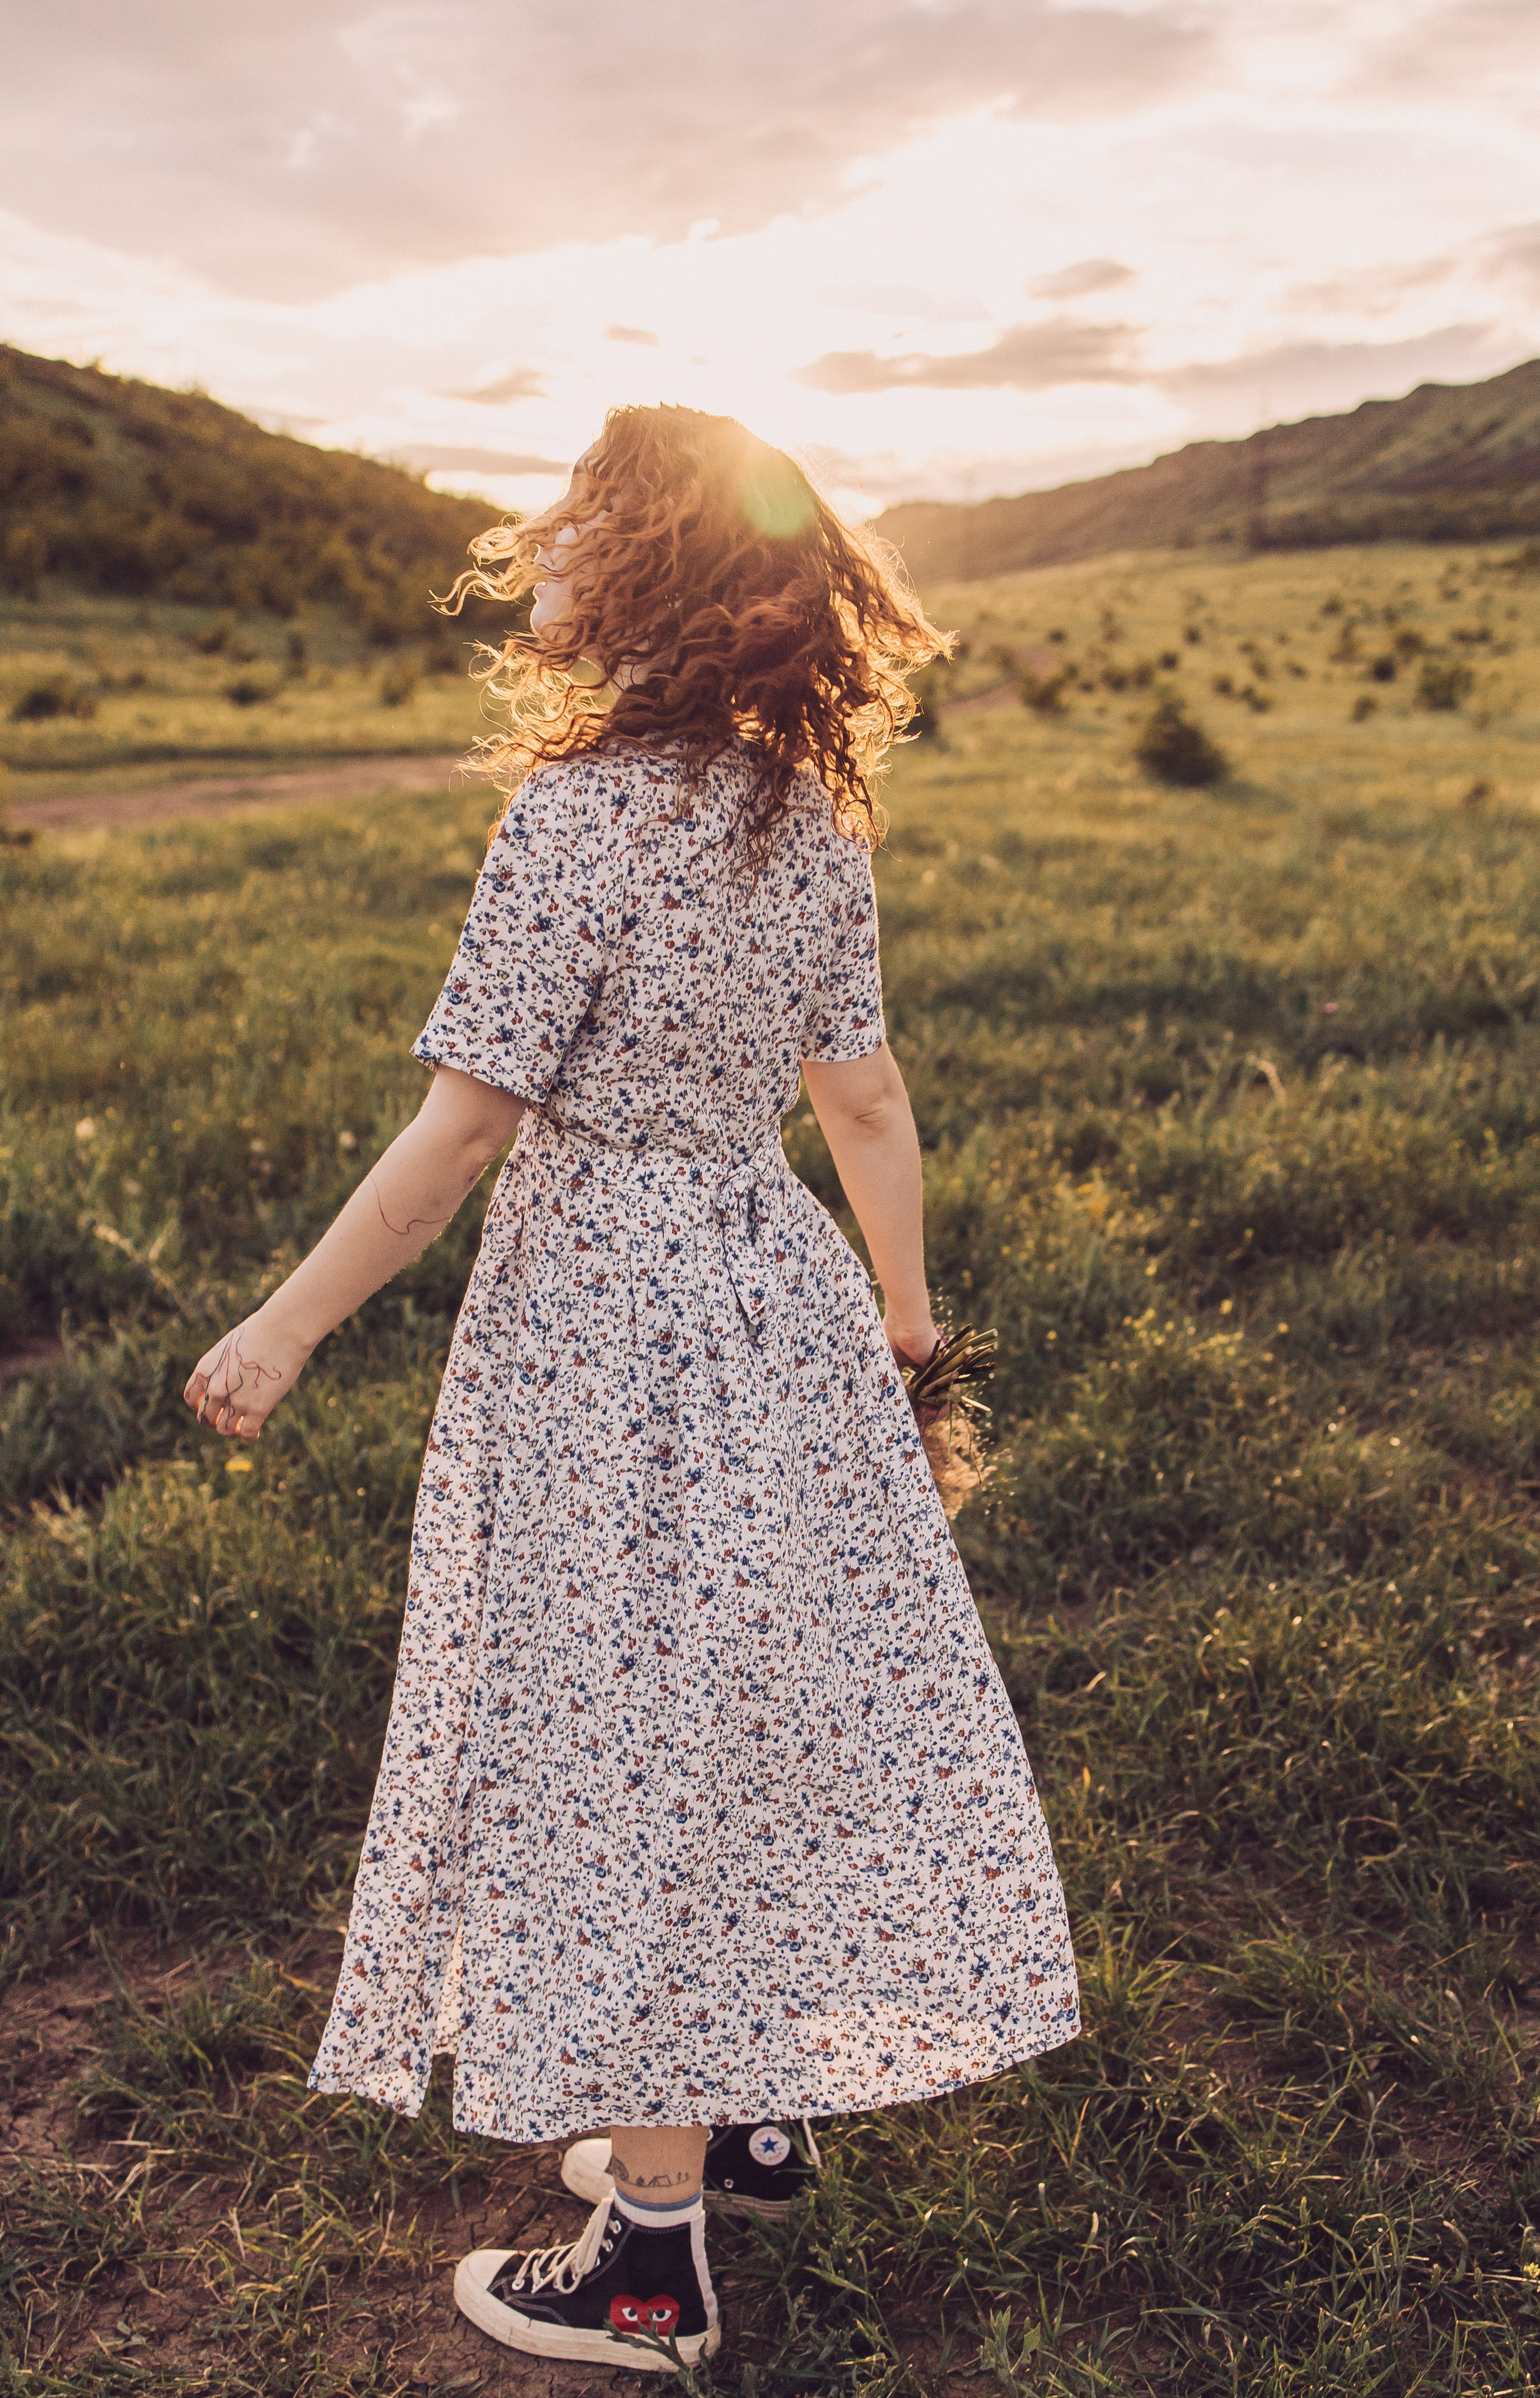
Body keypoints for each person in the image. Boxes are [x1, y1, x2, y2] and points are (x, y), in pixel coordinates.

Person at [185, 404, 1079, 2372]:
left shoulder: (574, 821)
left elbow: (456, 1139)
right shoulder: (804, 812)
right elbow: (865, 1095)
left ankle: (652, 2260)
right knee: (741, 1695)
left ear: (652, 569)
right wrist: (905, 1335)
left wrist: (289, 1324)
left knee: (626, 1740)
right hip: (772, 1286)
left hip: (604, 1323)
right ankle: (747, 2116)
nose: (542, 542)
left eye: (579, 518)